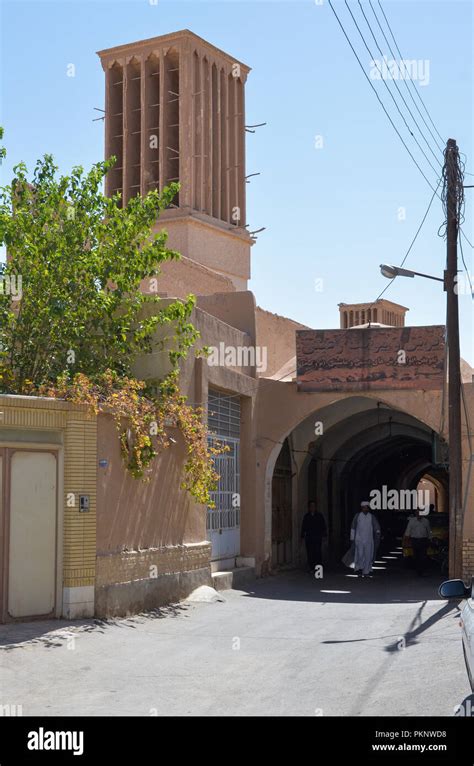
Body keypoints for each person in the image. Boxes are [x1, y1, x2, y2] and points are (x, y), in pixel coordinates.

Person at [351, 501, 381, 578]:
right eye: (364, 507)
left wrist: (378, 532)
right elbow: (353, 527)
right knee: (360, 555)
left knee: (368, 555)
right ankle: (360, 569)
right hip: (359, 540)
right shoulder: (357, 516)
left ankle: (366, 571)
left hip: (368, 540)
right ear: (362, 508)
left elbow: (376, 526)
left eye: (367, 507)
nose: (365, 509)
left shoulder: (371, 517)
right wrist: (352, 538)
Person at [301, 501, 327, 572]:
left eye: (314, 506)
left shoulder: (319, 516)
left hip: (317, 537)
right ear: (309, 507)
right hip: (309, 538)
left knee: (317, 552)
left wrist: (324, 535)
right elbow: (304, 527)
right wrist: (302, 536)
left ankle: (318, 568)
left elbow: (323, 526)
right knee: (310, 552)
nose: (312, 507)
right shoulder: (306, 516)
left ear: (315, 507)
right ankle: (311, 567)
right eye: (311, 506)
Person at [404, 509, 431, 576]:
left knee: (423, 556)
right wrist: (406, 540)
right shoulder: (412, 521)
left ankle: (421, 570)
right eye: (417, 513)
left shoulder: (426, 521)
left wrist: (430, 539)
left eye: (420, 513)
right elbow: (408, 531)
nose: (419, 514)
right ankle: (417, 570)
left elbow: (429, 531)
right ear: (416, 514)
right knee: (416, 555)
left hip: (423, 540)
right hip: (415, 540)